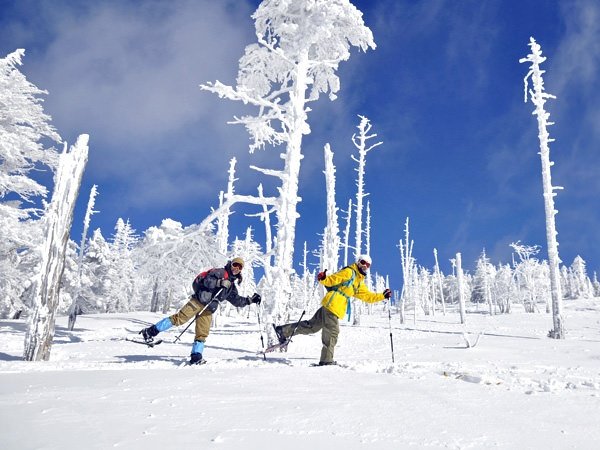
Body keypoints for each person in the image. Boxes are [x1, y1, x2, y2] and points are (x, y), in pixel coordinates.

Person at [273, 254, 391, 366]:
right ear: (358, 262)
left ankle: (283, 331)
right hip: (333, 306)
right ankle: (326, 361)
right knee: (332, 332)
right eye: (363, 262)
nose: (364, 266)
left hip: (331, 305)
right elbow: (333, 279)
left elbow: (368, 297)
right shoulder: (349, 272)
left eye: (368, 265)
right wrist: (324, 278)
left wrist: (382, 296)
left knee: (312, 326)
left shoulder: (358, 283)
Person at [139, 257, 261, 365]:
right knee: (179, 319)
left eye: (240, 267)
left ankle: (196, 356)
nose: (237, 268)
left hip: (208, 308)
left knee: (202, 332)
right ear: (231, 264)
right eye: (235, 265)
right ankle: (150, 332)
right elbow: (207, 280)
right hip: (198, 301)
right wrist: (219, 282)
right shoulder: (220, 272)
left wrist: (251, 300)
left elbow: (237, 301)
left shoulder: (231, 286)